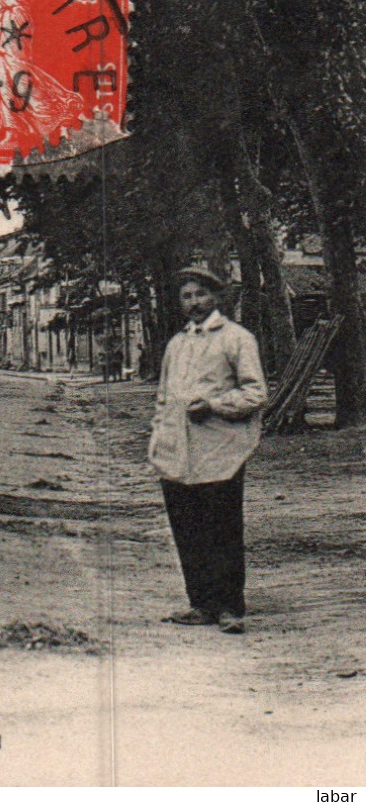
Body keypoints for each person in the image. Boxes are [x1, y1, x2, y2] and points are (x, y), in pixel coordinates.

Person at [149, 266, 267, 635]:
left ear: (216, 297)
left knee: (222, 528)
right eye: (187, 296)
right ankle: (200, 603)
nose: (194, 303)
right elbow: (164, 399)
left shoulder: (237, 339)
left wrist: (214, 405)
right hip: (177, 452)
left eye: (201, 294)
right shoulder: (177, 344)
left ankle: (231, 607)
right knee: (187, 528)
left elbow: (255, 393)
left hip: (221, 451)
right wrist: (158, 440)